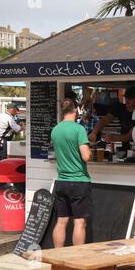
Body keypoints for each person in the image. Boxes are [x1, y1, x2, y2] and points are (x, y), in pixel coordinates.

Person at [51, 98, 92, 247]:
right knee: (79, 222)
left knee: (61, 221)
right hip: (79, 181)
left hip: (61, 181)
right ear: (75, 111)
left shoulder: (55, 130)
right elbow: (86, 156)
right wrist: (90, 150)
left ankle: (58, 255)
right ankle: (77, 257)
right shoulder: (78, 129)